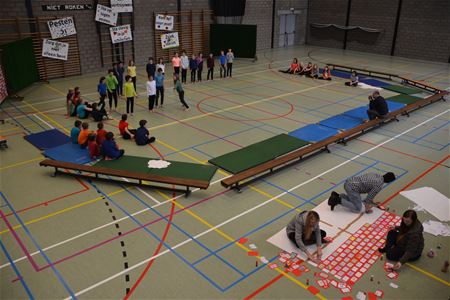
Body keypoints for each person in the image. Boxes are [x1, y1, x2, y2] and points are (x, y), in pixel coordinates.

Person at [328, 172, 396, 213]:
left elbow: (370, 193)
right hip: (353, 188)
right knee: (357, 208)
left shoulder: (376, 174)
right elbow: (368, 199)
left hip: (349, 182)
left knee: (355, 200)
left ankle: (338, 195)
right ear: (388, 181)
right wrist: (367, 210)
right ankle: (337, 200)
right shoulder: (379, 185)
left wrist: (372, 202)